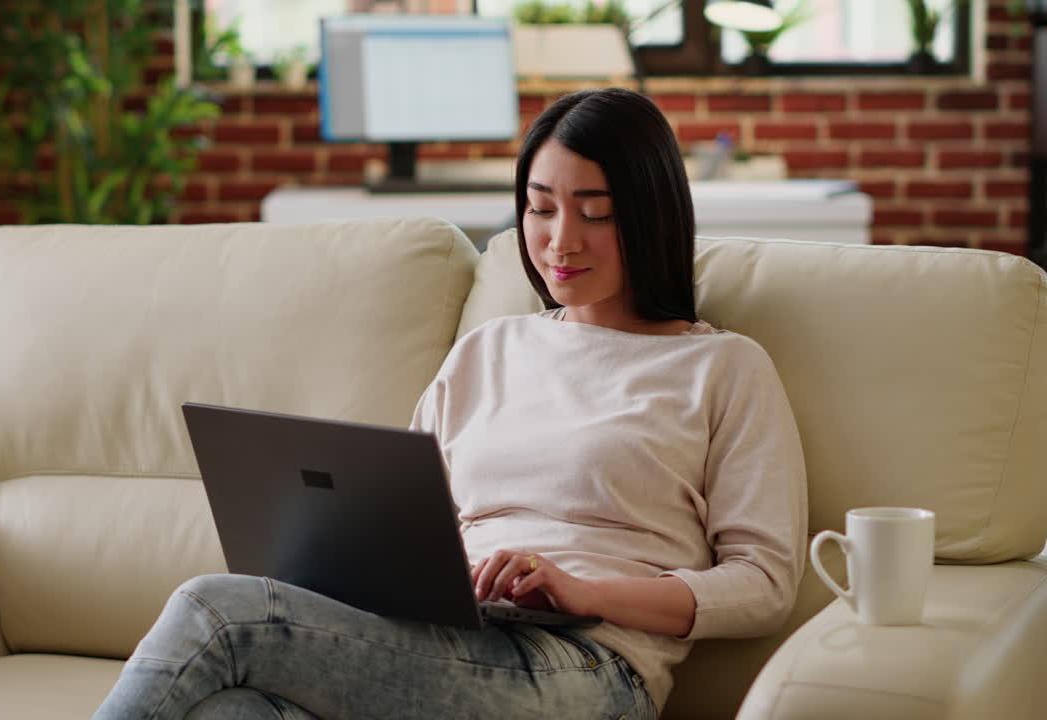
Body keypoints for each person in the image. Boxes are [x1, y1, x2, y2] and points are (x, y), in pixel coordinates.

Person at [92, 88, 807, 720]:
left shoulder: (720, 367)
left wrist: (584, 591)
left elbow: (764, 583)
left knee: (213, 611)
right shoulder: (487, 351)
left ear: (648, 218)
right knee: (237, 712)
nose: (561, 241)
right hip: (450, 642)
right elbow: (408, 524)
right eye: (540, 208)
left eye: (594, 214)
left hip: (587, 669)